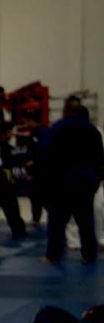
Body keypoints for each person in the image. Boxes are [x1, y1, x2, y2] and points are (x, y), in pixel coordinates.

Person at [42, 96, 104, 264]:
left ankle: (53, 255)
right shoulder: (93, 131)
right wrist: (96, 181)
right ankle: (89, 255)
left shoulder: (58, 128)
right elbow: (100, 159)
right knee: (86, 221)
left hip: (61, 182)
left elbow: (45, 155)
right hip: (85, 182)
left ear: (65, 110)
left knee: (57, 222)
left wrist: (46, 182)